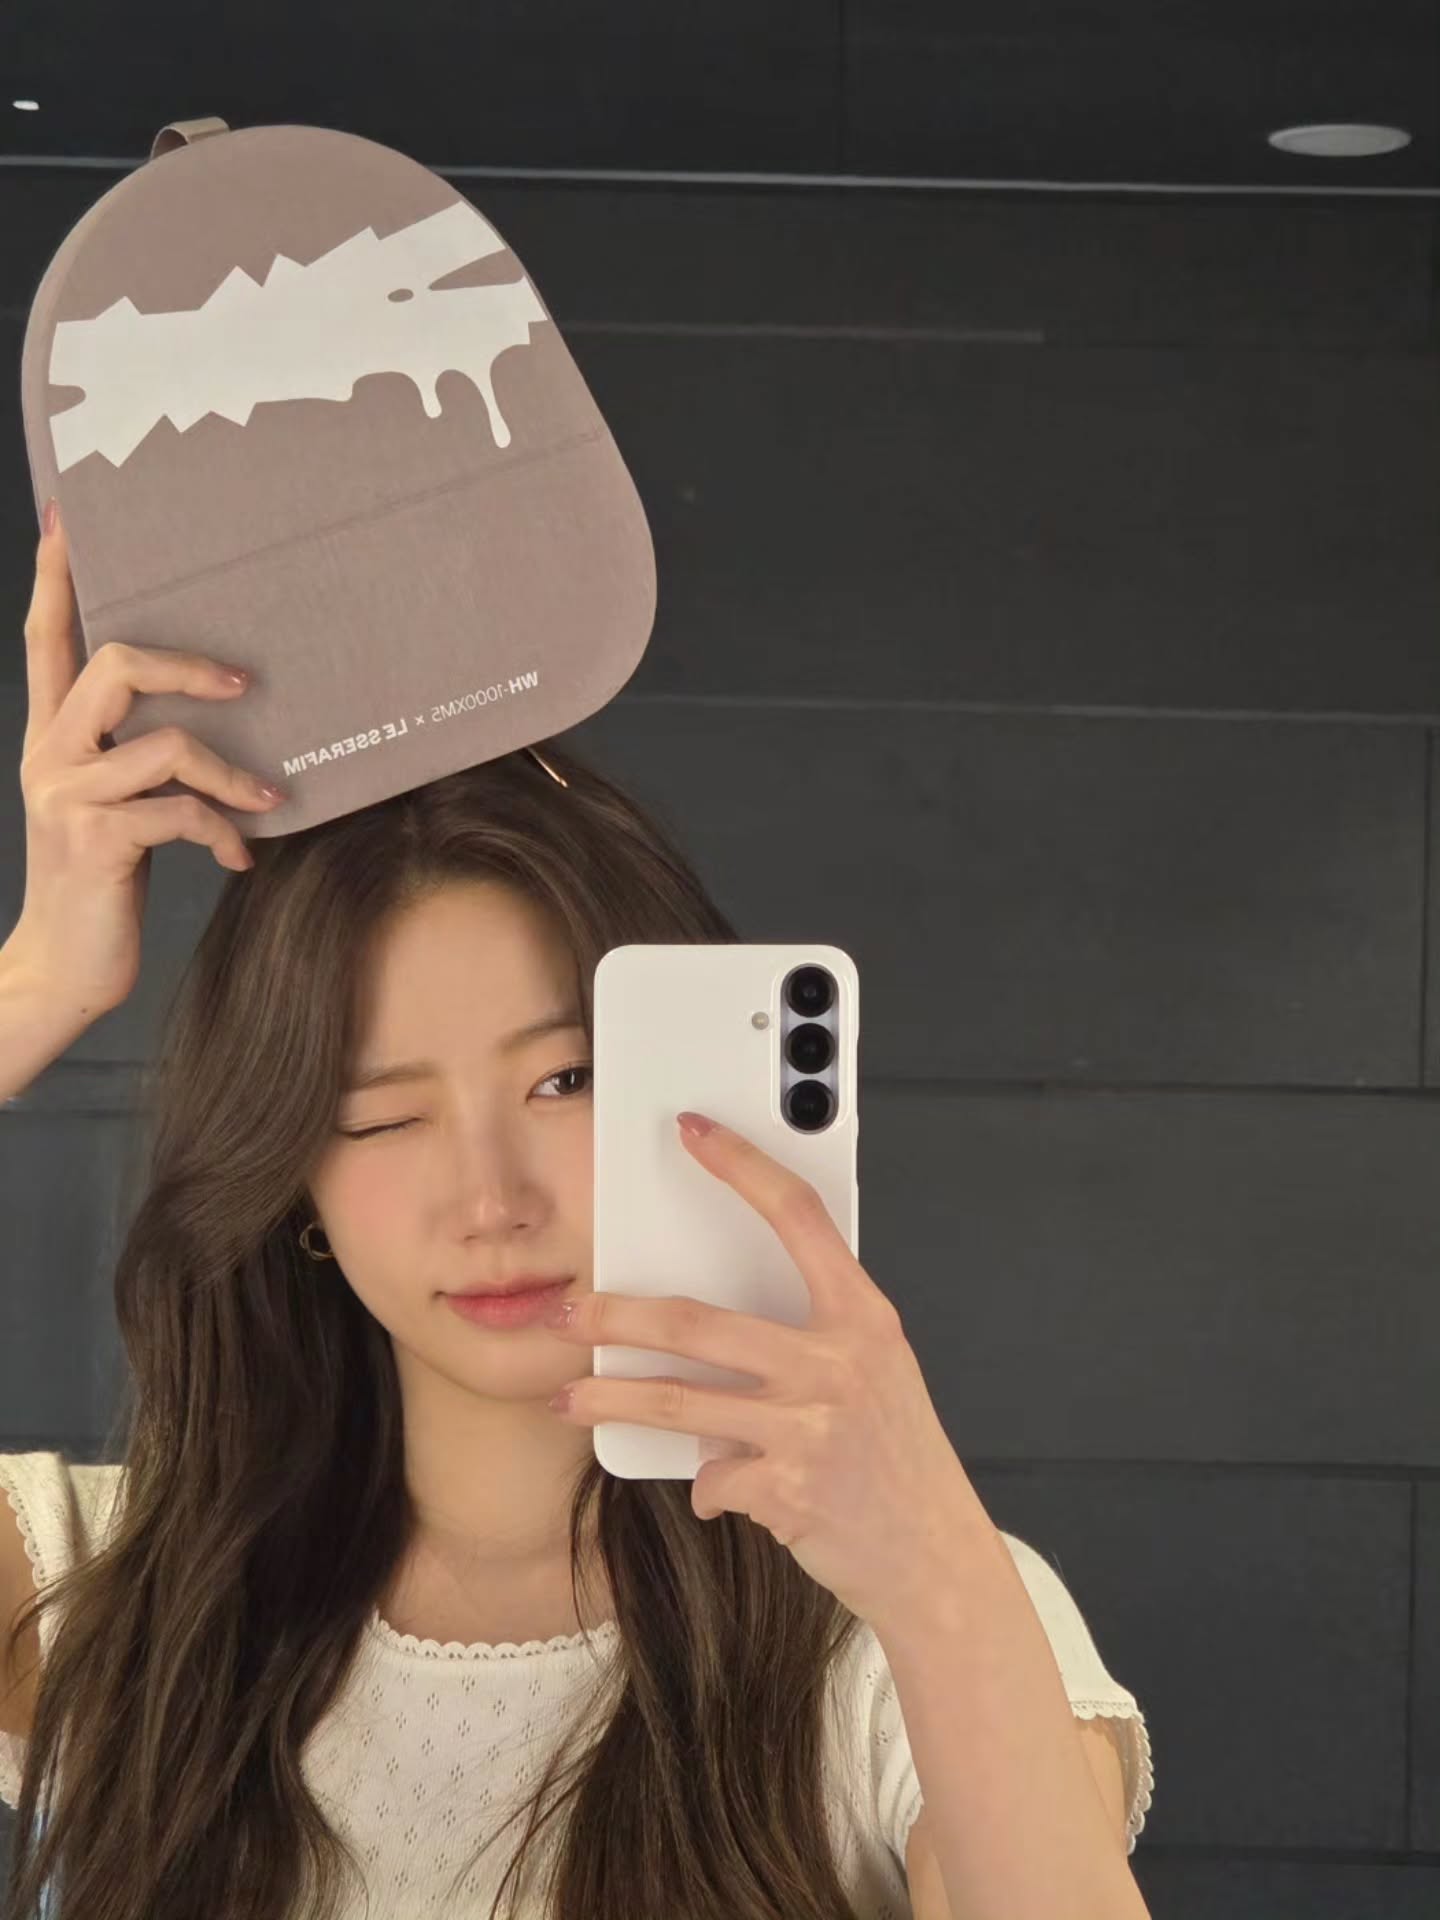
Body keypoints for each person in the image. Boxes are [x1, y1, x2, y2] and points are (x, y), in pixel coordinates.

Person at [0, 502, 1154, 1919]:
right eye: (381, 1114)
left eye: (566, 1080)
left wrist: (936, 1578)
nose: (490, 1200)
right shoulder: (114, 1591)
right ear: (292, 1174)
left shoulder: (909, 1626)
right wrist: (35, 981)